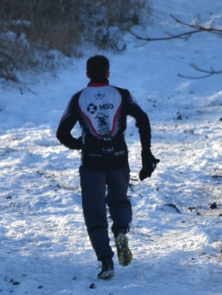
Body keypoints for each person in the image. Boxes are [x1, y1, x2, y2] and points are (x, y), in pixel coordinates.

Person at [56, 54, 159, 280]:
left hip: (92, 161)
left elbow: (61, 133)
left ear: (87, 75)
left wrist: (79, 144)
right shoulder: (122, 95)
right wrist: (146, 153)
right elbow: (143, 119)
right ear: (108, 73)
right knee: (119, 200)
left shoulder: (78, 99)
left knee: (95, 211)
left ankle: (106, 262)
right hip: (118, 159)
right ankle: (121, 231)